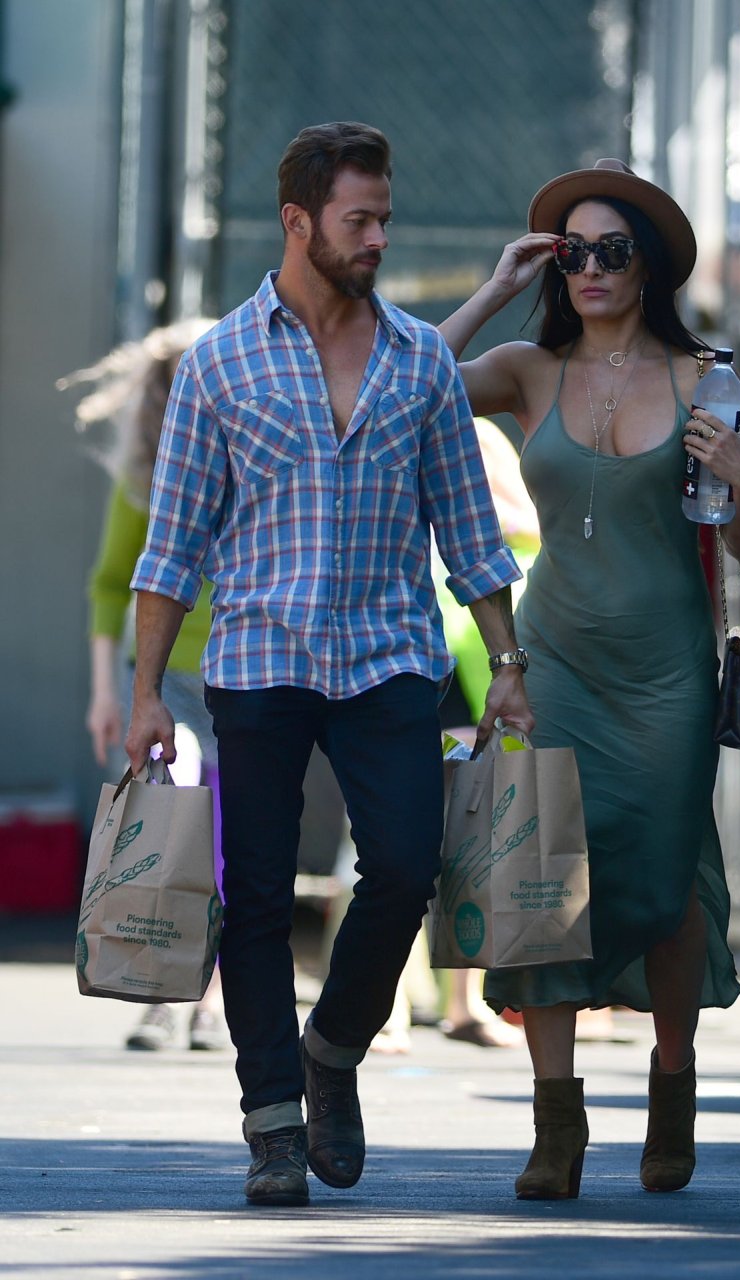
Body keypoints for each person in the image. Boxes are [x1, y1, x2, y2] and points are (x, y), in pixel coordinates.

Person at [123, 121, 533, 1208]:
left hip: (388, 656)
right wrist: (144, 695)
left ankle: (334, 1047)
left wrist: (507, 662)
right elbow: (171, 548)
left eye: (384, 218)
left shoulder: (420, 361)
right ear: (298, 221)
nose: (379, 238)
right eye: (360, 220)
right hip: (259, 658)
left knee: (404, 866)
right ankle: (271, 1124)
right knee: (255, 896)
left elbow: (471, 532)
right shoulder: (220, 364)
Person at [439, 158, 740, 1199]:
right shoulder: (527, 369)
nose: (588, 268)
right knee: (541, 876)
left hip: (666, 670)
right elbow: (410, 385)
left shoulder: (707, 379)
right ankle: (557, 1126)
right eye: (571, 252)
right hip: (554, 660)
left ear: (648, 265)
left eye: (610, 250)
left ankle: (672, 1088)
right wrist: (494, 287)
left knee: (666, 884)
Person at [63, 320, 227, 1052]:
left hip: (245, 677)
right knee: (170, 824)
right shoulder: (144, 479)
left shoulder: (253, 459)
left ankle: (211, 998)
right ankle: (158, 993)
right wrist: (106, 692)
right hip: (167, 683)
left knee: (232, 841)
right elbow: (109, 585)